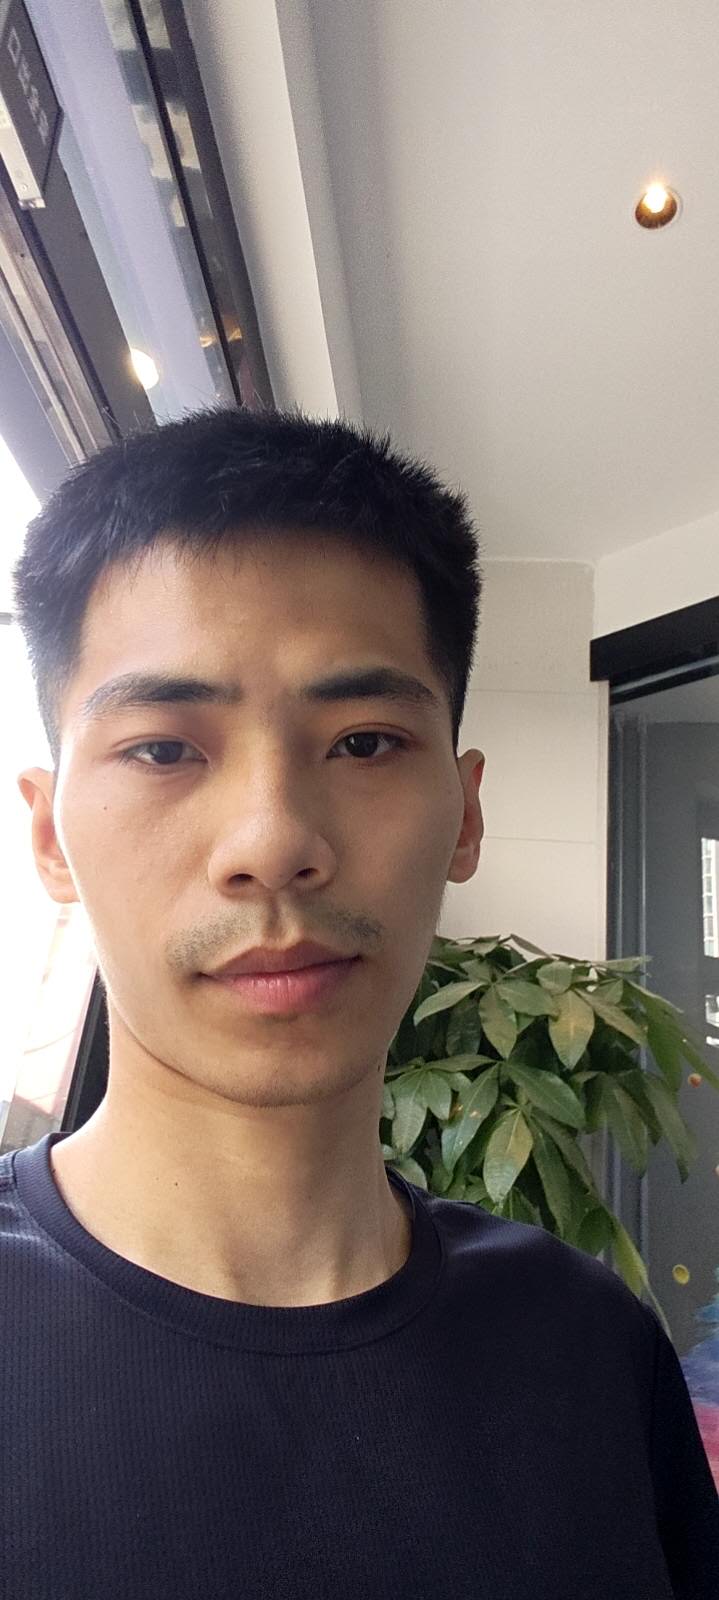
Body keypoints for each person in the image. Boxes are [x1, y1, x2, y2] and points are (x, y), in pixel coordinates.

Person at [3, 405, 717, 1599]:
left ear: (465, 813)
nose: (272, 841)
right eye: (165, 749)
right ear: (48, 835)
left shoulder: (587, 1347)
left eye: (365, 742)